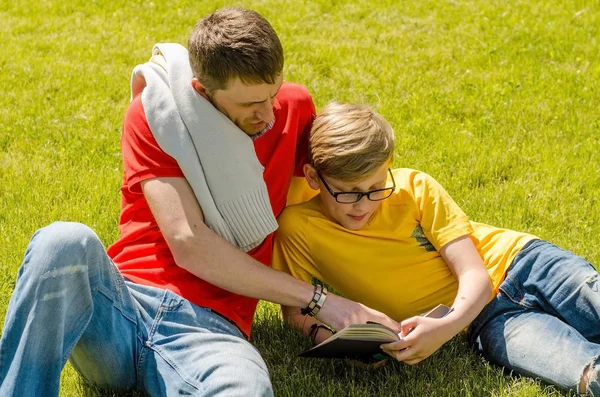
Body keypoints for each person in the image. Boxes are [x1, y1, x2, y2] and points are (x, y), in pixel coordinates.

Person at [0, 9, 400, 397]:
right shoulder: (158, 115)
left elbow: (332, 189)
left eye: (271, 94)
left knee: (247, 390)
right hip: (124, 310)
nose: (267, 114)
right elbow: (188, 243)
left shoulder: (292, 109)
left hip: (213, 334)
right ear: (202, 92)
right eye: (248, 105)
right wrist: (319, 301)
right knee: (62, 241)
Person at [272, 101, 600, 395]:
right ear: (313, 178)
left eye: (375, 187)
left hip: (525, 264)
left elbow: (475, 274)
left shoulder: (414, 188)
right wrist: (339, 344)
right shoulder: (297, 228)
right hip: (487, 323)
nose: (364, 204)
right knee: (588, 376)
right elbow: (295, 310)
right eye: (349, 192)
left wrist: (444, 328)